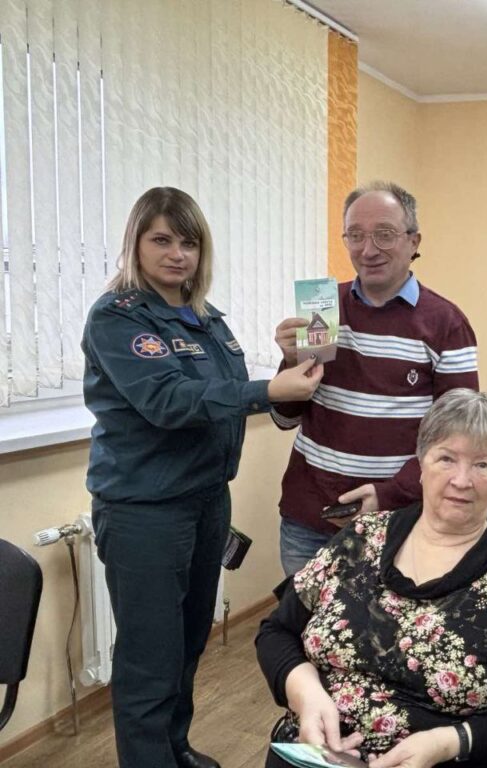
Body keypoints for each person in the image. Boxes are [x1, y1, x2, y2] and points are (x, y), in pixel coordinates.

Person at [82, 187, 323, 768]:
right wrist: (269, 391)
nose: (177, 254)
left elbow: (219, 392)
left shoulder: (207, 317)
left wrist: (287, 362)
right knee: (150, 656)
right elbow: (169, 400)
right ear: (136, 243)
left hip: (206, 499)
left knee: (190, 642)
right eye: (161, 240)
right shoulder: (118, 317)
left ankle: (175, 747)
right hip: (145, 509)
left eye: (188, 243)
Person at [256, 389, 487, 768]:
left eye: (482, 465)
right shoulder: (360, 539)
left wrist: (447, 742)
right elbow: (277, 631)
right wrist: (306, 694)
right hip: (316, 753)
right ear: (421, 463)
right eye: (446, 458)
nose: (462, 480)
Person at [272, 181, 479, 576]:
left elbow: (459, 437)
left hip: (398, 521)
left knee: (389, 619)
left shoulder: (446, 324)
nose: (368, 250)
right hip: (309, 520)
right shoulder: (323, 310)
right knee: (303, 617)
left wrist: (390, 494)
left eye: (384, 234)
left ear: (414, 241)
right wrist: (290, 363)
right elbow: (285, 418)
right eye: (355, 235)